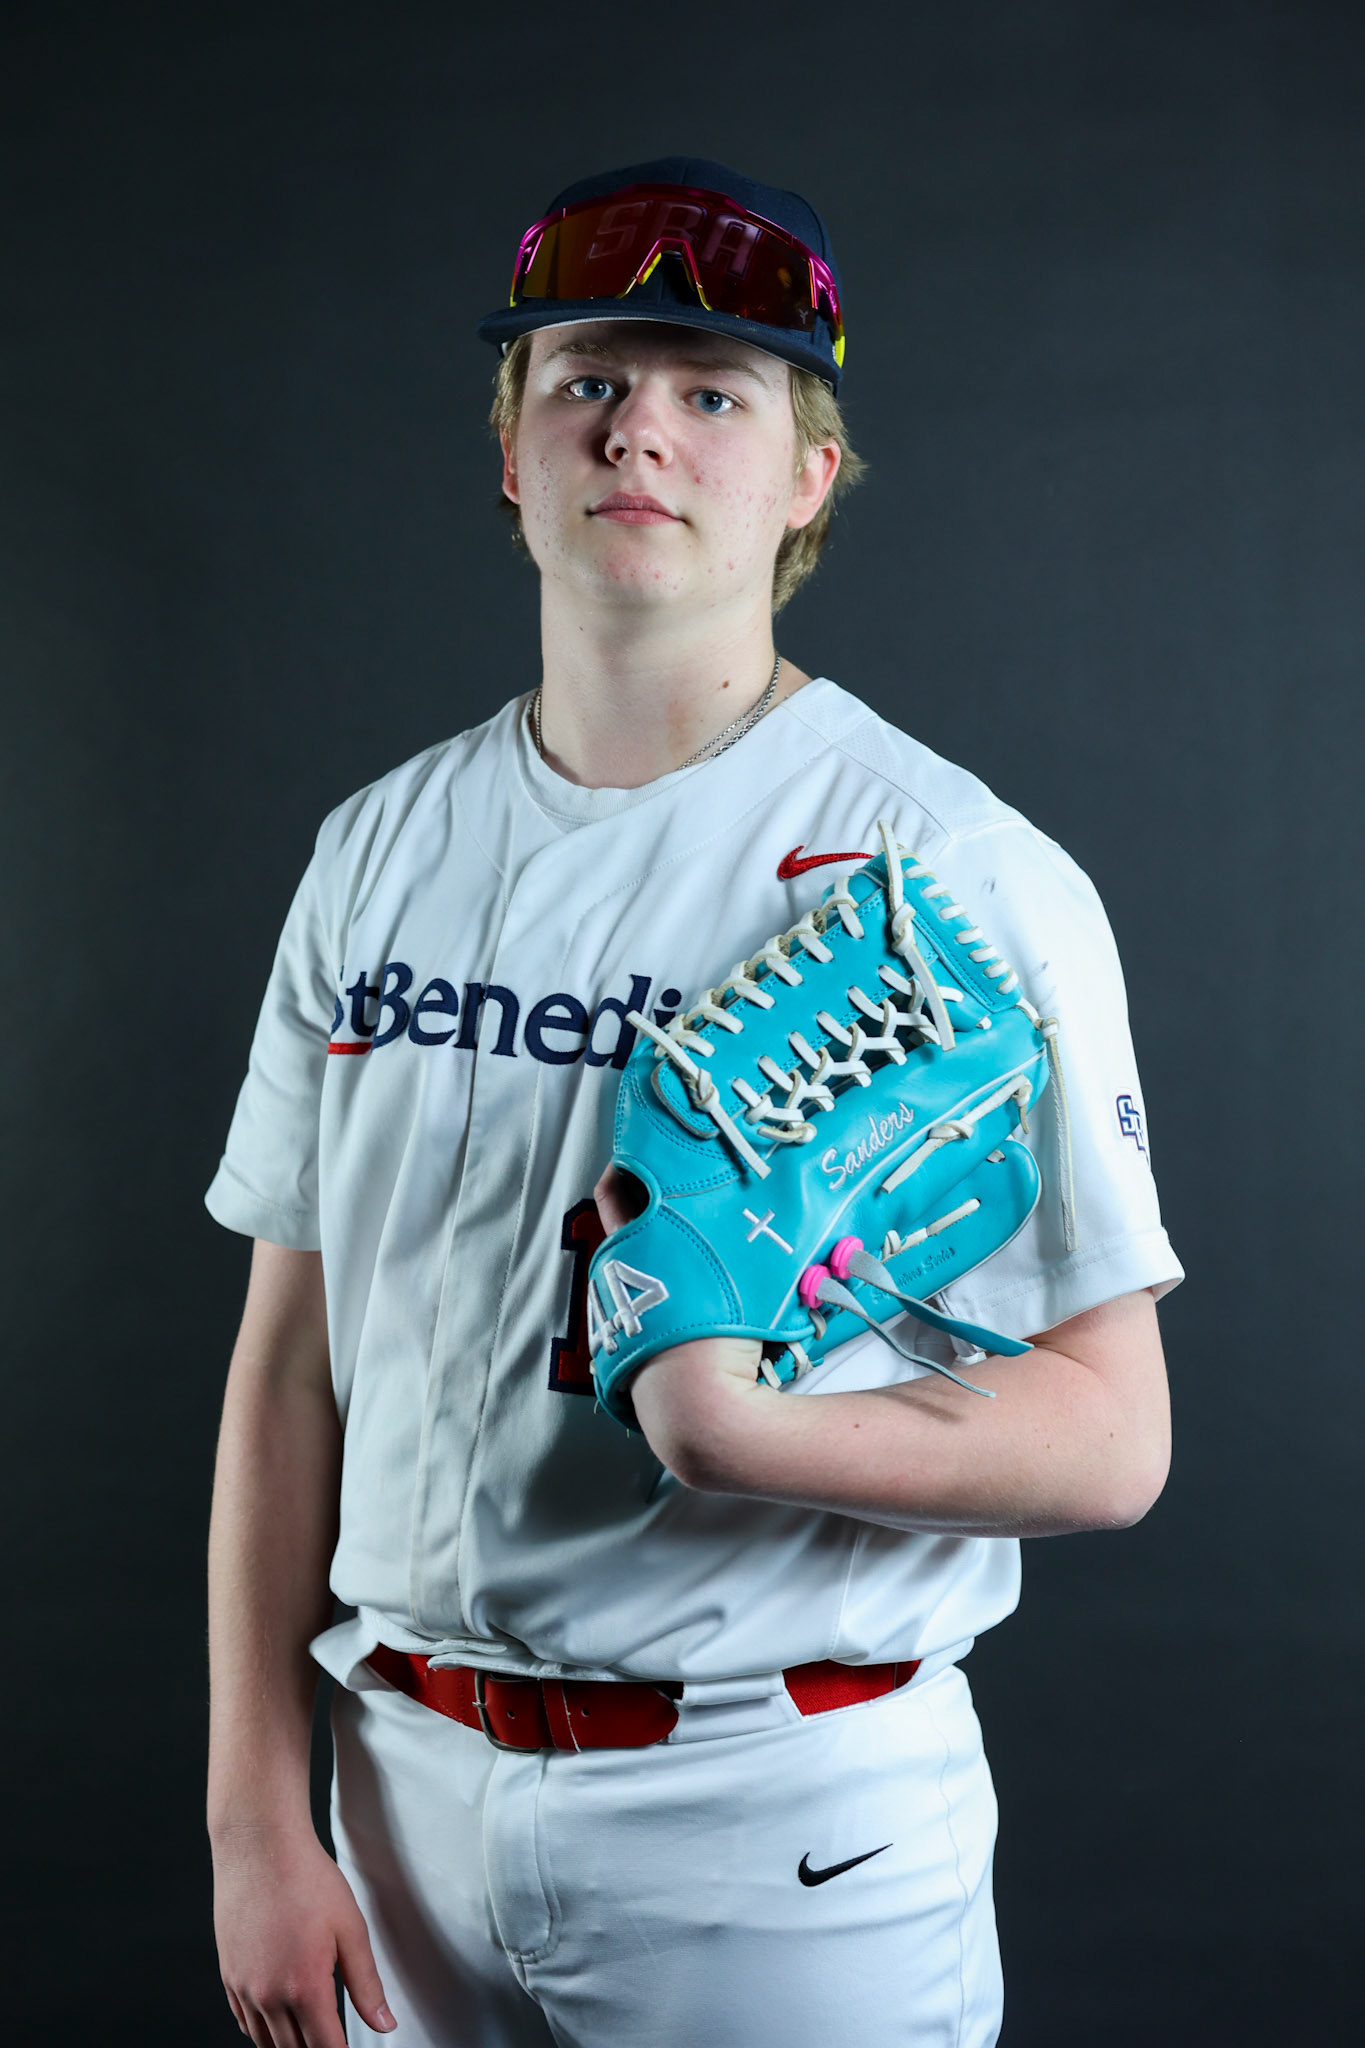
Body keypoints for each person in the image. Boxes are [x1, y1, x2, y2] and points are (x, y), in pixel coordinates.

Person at [206, 158, 1181, 2048]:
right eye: (585, 381)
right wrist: (257, 1810)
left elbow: (1110, 1442)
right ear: (512, 454)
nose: (638, 426)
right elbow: (283, 1363)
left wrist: (738, 1430)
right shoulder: (377, 854)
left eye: (712, 392)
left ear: (805, 475)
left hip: (780, 1821)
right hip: (390, 1793)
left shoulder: (944, 873)